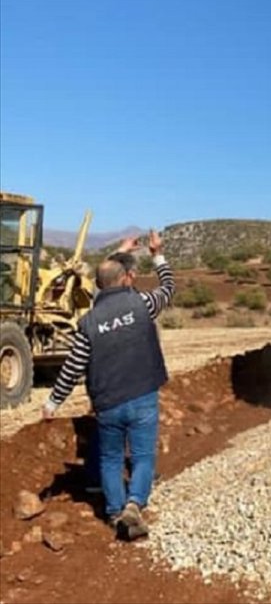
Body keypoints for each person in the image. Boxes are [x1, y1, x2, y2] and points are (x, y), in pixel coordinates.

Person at [42, 230, 175, 540]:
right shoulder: (143, 304)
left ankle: (115, 512)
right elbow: (168, 288)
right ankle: (134, 505)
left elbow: (73, 367)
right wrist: (157, 253)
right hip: (142, 395)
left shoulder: (88, 322)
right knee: (142, 456)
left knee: (111, 458)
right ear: (127, 278)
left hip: (108, 403)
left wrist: (52, 402)